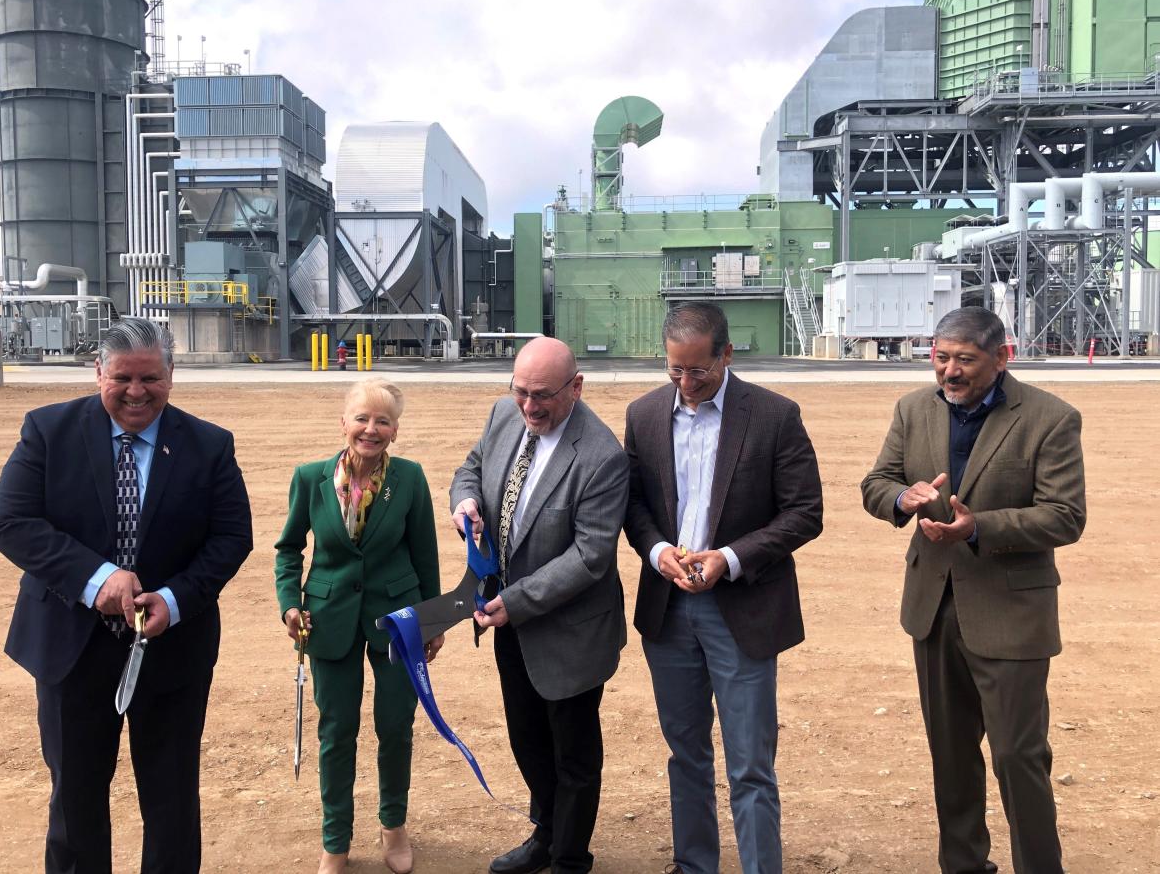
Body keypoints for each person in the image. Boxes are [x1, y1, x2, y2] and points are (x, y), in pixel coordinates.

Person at [0, 317, 253, 874]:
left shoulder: (209, 445)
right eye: (123, 379)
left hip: (172, 651)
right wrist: (96, 578)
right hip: (70, 650)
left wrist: (176, 599)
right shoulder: (47, 431)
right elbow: (11, 522)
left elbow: (232, 538)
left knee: (172, 799)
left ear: (172, 375)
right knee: (76, 798)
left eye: (151, 378)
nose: (137, 392)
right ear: (98, 372)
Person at [861, 306, 1086, 874]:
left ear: (1002, 357)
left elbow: (1065, 516)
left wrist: (980, 526)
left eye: (965, 360)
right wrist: (900, 500)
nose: (949, 372)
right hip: (933, 608)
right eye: (940, 358)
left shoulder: (1050, 418)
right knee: (952, 756)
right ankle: (963, 865)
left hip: (1012, 610)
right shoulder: (913, 409)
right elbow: (877, 482)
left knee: (1017, 756)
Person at [622, 302, 823, 874]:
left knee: (750, 765)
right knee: (685, 754)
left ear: (727, 355)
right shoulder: (644, 414)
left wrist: (730, 558)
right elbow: (633, 504)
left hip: (741, 609)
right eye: (675, 372)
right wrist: (659, 551)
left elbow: (805, 512)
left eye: (699, 372)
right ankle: (695, 866)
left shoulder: (774, 416)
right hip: (668, 611)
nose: (686, 385)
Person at [450, 336, 629, 874]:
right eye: (521, 391)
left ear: (576, 387)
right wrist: (464, 501)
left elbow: (590, 556)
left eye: (543, 396)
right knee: (527, 738)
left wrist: (518, 600)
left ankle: (570, 859)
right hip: (511, 621)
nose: (529, 406)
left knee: (572, 753)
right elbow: (471, 468)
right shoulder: (505, 416)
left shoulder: (602, 457)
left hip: (569, 629)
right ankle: (545, 835)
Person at [275, 378, 443, 874]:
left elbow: (424, 554)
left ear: (395, 430)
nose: (371, 429)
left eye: (383, 421)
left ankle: (394, 826)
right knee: (337, 730)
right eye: (362, 418)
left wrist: (431, 622)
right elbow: (288, 551)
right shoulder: (310, 478)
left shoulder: (409, 479)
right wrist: (289, 604)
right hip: (328, 621)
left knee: (395, 725)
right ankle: (336, 840)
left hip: (396, 621)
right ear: (343, 422)